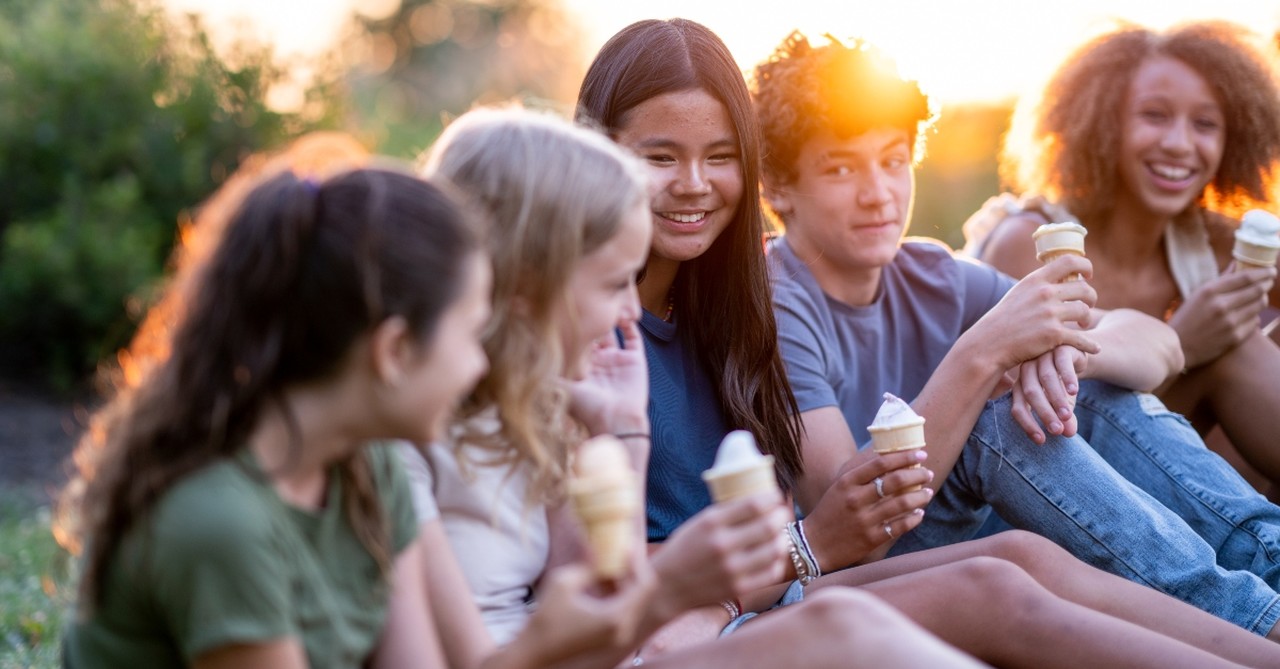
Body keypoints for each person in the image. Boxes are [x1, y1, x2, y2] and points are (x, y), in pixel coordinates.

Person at [573, 17, 1280, 668]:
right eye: (660, 156)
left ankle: (1266, 609)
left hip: (778, 577)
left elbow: (1132, 341)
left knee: (1024, 531)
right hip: (728, 602)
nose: (693, 183)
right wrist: (986, 353)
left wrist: (1059, 346)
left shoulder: (725, 303)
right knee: (995, 512)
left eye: (719, 155)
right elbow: (832, 519)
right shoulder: (606, 326)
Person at [56, 136, 488, 668]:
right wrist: (551, 647)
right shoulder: (220, 522)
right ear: (394, 351)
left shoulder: (365, 464)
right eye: (471, 334)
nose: (479, 365)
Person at [966, 21, 1280, 489]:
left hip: (1163, 474)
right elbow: (1024, 431)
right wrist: (1185, 346)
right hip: (1050, 481)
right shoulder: (1029, 241)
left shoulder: (1209, 239)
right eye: (1154, 115)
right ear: (1101, 123)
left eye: (1205, 124)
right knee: (1229, 350)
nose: (1179, 143)